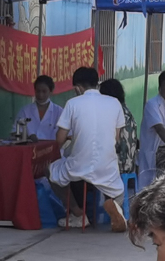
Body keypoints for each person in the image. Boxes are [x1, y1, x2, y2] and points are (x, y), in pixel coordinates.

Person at [49, 66, 128, 232]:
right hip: (106, 165)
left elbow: (60, 138)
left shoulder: (72, 104)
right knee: (117, 191)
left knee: (52, 173)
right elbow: (116, 138)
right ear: (97, 83)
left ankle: (78, 213)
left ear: (77, 88)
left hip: (78, 166)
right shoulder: (114, 103)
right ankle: (116, 206)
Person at [98, 78, 138, 187]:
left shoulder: (113, 112)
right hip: (130, 164)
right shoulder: (125, 110)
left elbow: (114, 143)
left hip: (119, 164)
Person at [12, 73, 64, 141]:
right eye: (38, 91)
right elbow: (15, 132)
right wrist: (28, 136)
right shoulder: (25, 111)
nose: (40, 95)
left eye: (44, 91)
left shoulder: (59, 112)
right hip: (30, 149)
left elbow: (65, 135)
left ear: (51, 91)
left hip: (52, 149)